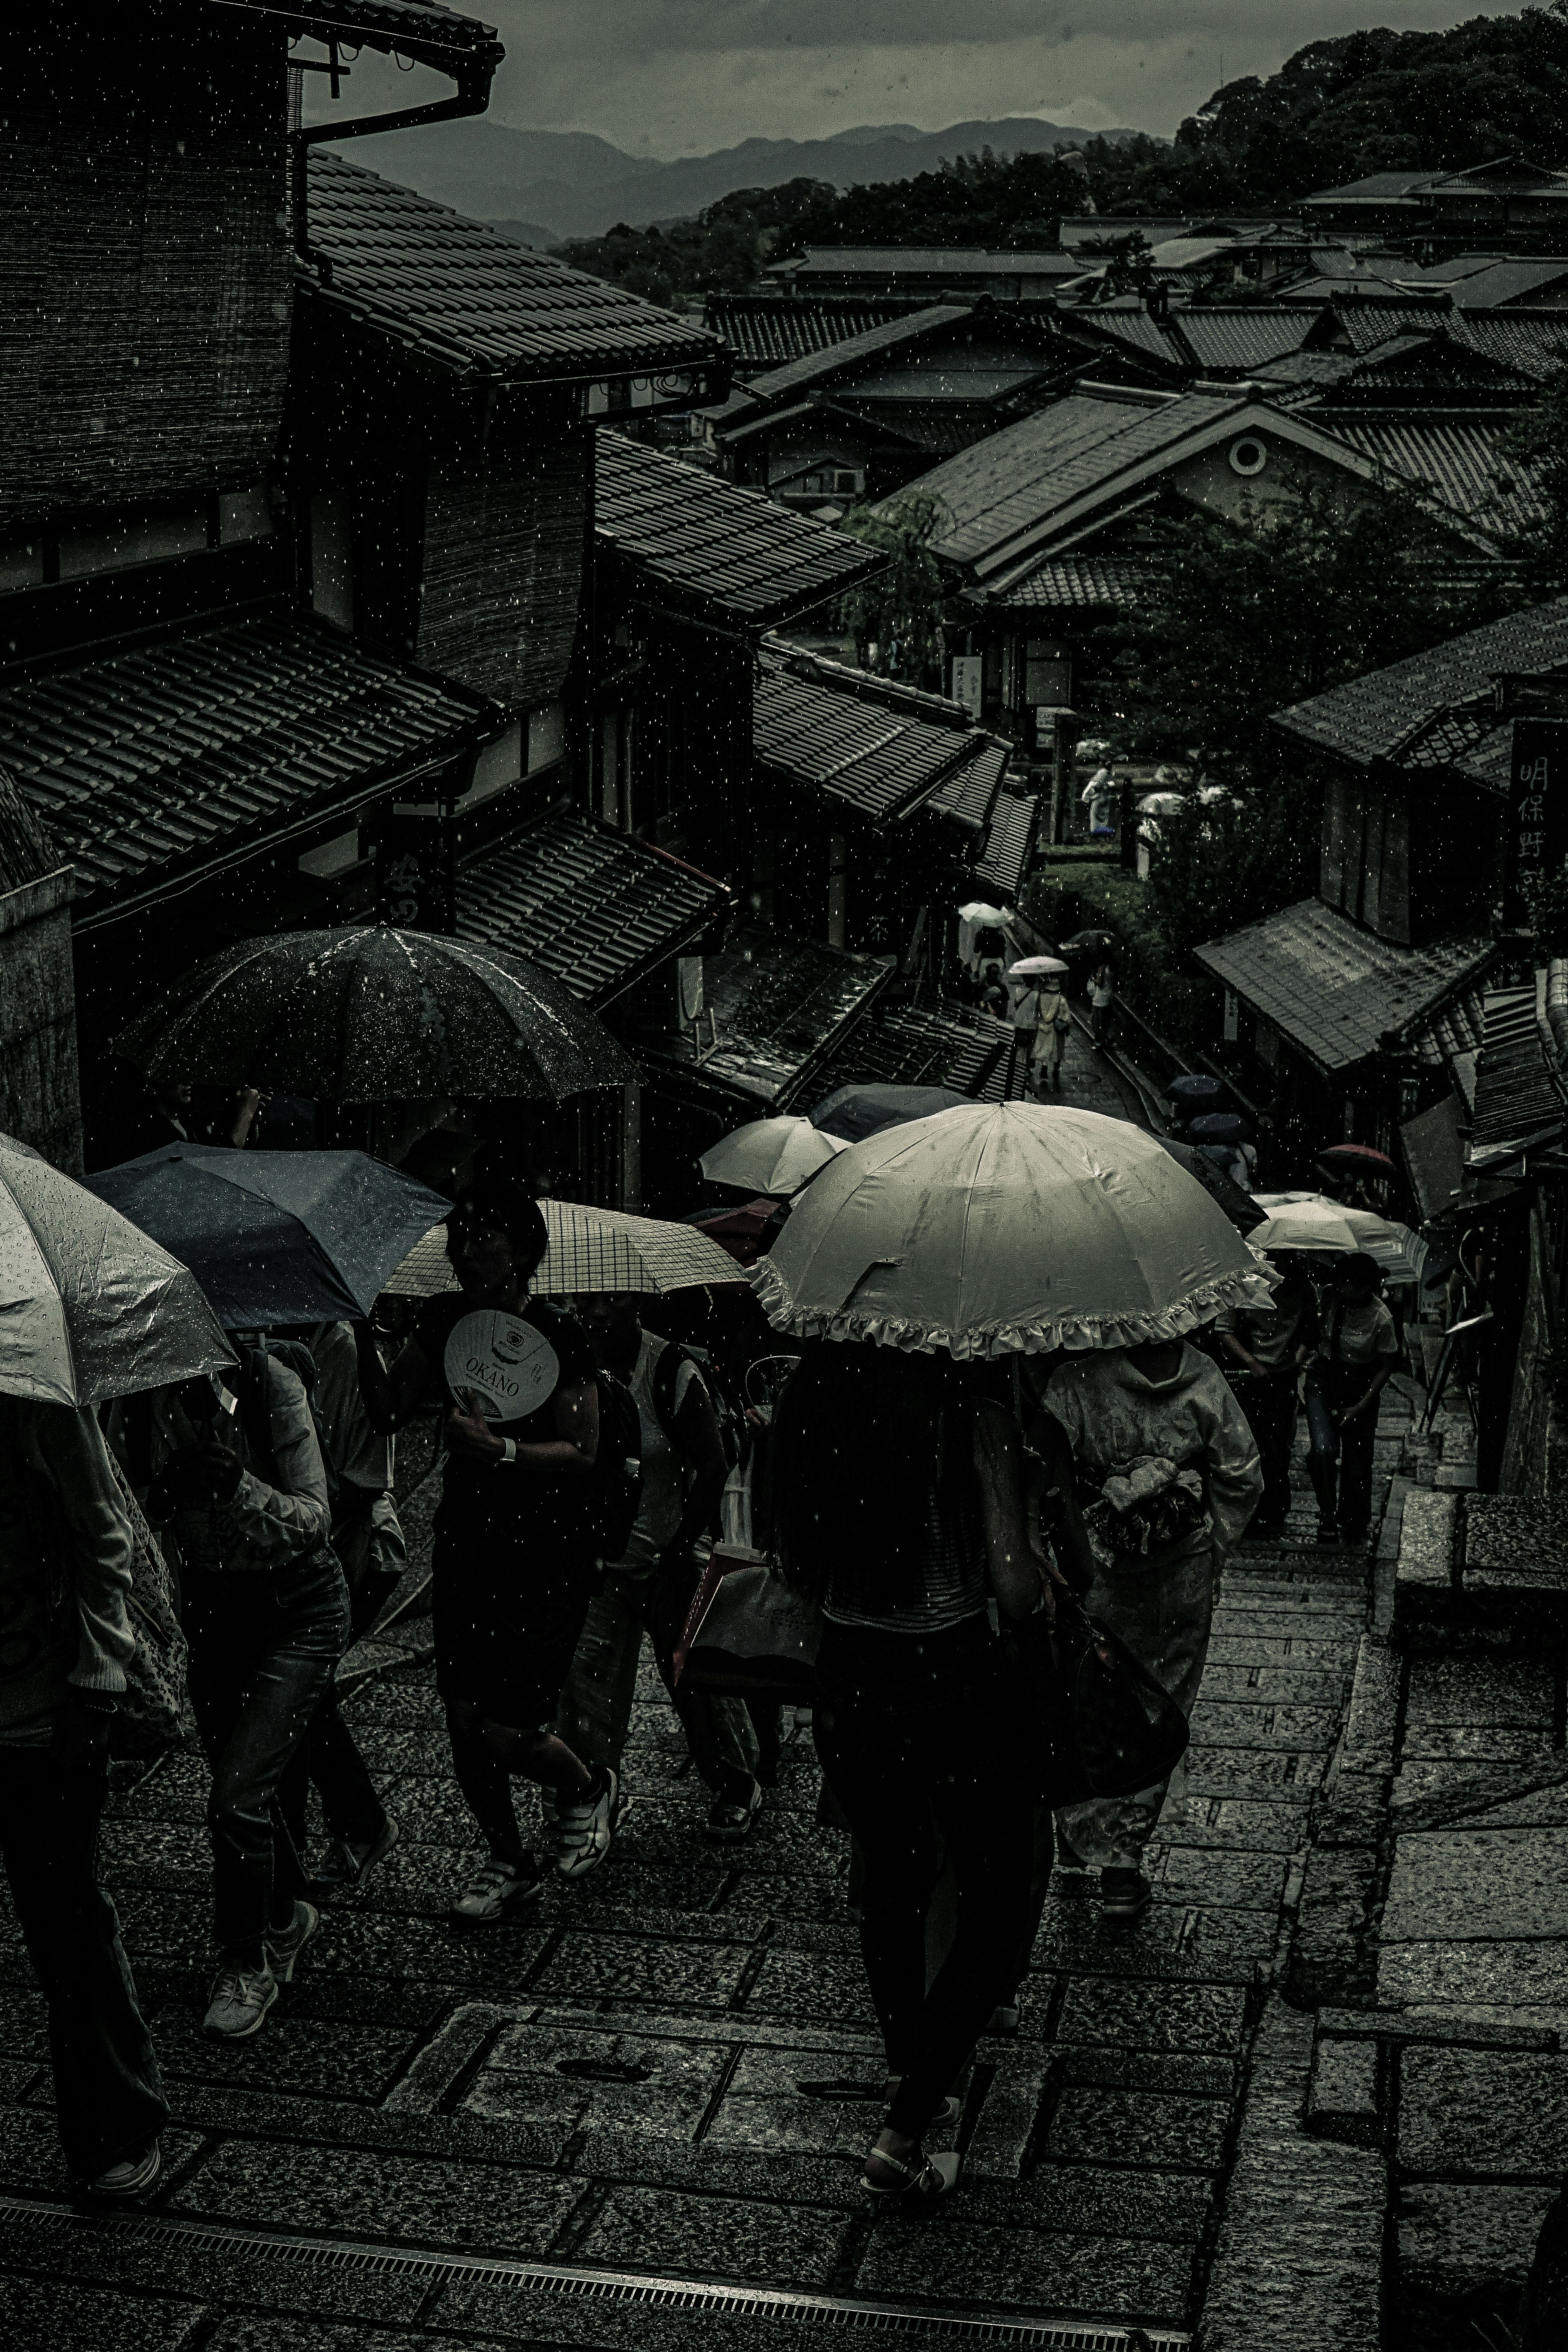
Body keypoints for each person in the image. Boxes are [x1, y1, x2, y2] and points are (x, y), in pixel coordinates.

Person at [773, 1343, 1057, 2205]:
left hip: (850, 1683)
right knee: (998, 1896)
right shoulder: (972, 1411)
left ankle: (911, 2075)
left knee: (893, 1885)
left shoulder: (810, 1395)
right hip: (953, 1684)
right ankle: (905, 2122)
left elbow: (798, 1570)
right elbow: (1012, 1588)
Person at [354, 1180, 616, 1922]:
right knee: (463, 1719)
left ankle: (586, 1785)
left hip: (546, 1553)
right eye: (459, 1235)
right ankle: (508, 1857)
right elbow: (388, 1410)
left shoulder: (558, 1335)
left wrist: (500, 1450)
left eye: (485, 1236)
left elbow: (584, 1449)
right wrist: (356, 1334)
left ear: (524, 1254)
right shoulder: (442, 1321)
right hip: (468, 1545)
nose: (466, 1251)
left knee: (510, 1726)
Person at [146, 1351, 349, 2041]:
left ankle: (246, 1958)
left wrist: (238, 1487)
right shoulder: (135, 1391)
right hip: (211, 1612)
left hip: (298, 1607)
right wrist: (163, 1492)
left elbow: (315, 1518)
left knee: (235, 1797)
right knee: (245, 1786)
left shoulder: (270, 1384)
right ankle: (289, 1917)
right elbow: (126, 1503)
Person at [0, 1396, 169, 2196]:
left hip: (46, 1713)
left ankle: (115, 2123)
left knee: (66, 1921)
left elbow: (107, 1539)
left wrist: (98, 1680)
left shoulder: (38, 1402)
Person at [1041, 1334, 1263, 1917]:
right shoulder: (1206, 1376)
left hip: (1096, 1569)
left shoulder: (1074, 1381)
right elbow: (1242, 1474)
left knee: (1090, 1696)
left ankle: (1075, 1833)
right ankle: (1122, 1867)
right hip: (1179, 1572)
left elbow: (1046, 1476)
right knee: (1157, 1707)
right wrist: (1210, 1546)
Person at [561, 1293, 762, 1841]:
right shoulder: (568, 1364)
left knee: (693, 1678)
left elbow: (713, 1465)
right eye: (589, 1301)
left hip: (668, 1555)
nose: (599, 1313)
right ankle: (592, 1790)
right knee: (588, 1681)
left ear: (638, 1304)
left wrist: (677, 1550)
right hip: (602, 1560)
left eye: (612, 1301)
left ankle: (736, 1782)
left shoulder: (671, 1369)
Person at [276, 1321, 404, 1900]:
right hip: (305, 1548)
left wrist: (290, 1517)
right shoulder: (272, 1345)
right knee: (302, 1695)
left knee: (301, 1694)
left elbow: (364, 1480)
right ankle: (342, 1828)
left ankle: (351, 1826)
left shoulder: (346, 1351)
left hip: (353, 1550)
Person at [1215, 1257, 1319, 1539]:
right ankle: (1248, 1510)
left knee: (1277, 1447)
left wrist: (1290, 1365)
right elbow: (1225, 1331)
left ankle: (1273, 1510)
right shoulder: (1244, 1283)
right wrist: (1252, 1363)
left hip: (1282, 1378)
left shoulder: (1303, 1289)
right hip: (1246, 1378)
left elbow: (1310, 1334)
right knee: (1246, 1445)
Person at [1305, 1253, 1399, 1546]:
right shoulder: (1332, 1299)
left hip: (1360, 1387)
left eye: (1348, 1284)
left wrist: (1362, 1406)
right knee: (1323, 1449)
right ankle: (1327, 1514)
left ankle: (1354, 1520)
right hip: (1323, 1380)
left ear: (1364, 1288)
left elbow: (1386, 1366)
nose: (1342, 1287)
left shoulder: (1382, 1319)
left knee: (1357, 1464)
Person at [1030, 976, 1071, 1096]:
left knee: (1044, 1049)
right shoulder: (1061, 999)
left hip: (1043, 1027)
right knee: (1057, 1051)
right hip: (1056, 1029)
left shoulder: (1040, 997)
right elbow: (1067, 1017)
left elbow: (1036, 1011)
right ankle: (1056, 1069)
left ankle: (1044, 1066)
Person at [1089, 960, 1115, 1045]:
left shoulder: (1102, 968)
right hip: (1109, 995)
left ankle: (1100, 1040)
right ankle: (1108, 1037)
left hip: (1100, 997)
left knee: (1097, 1019)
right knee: (1106, 1019)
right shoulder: (1112, 967)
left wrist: (1093, 979)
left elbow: (1100, 983)